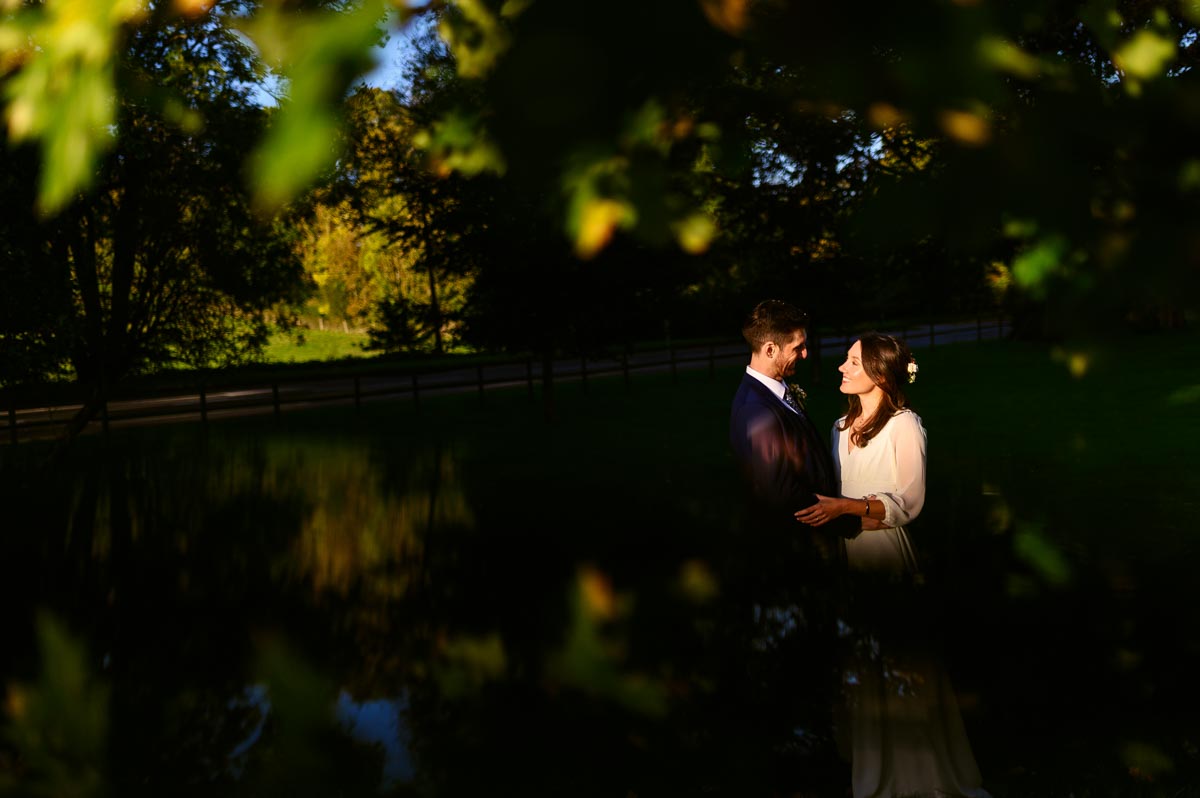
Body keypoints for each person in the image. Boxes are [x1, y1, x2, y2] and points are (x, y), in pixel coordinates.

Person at [794, 332, 988, 798]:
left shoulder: (905, 426)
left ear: (880, 375)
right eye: (845, 360)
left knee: (900, 662)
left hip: (885, 557)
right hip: (850, 558)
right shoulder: (840, 428)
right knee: (860, 665)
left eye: (853, 362)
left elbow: (910, 501)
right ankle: (874, 776)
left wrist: (848, 508)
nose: (842, 367)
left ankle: (923, 777)